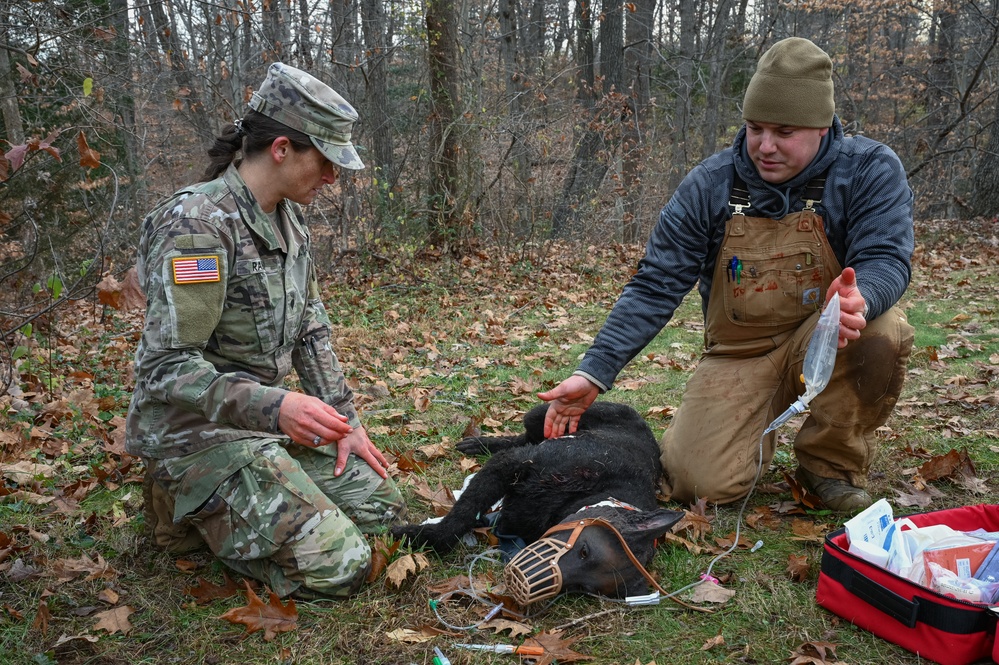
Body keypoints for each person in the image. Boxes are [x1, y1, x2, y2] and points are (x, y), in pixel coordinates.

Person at [539, 37, 915, 514]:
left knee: (883, 330)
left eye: (784, 131)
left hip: (827, 336)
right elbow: (656, 283)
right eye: (755, 127)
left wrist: (863, 296)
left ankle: (829, 465)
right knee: (700, 487)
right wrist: (594, 370)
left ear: (821, 127)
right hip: (740, 353)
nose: (765, 145)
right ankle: (744, 435)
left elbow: (886, 256)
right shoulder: (710, 184)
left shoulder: (868, 170)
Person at [127, 62, 406, 599]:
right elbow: (165, 367)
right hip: (195, 439)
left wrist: (346, 421)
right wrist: (277, 407)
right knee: (343, 565)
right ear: (282, 149)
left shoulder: (287, 218)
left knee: (383, 511)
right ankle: (183, 510)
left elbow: (310, 327)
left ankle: (250, 505)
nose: (332, 178)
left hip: (263, 428)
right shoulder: (199, 229)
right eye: (325, 162)